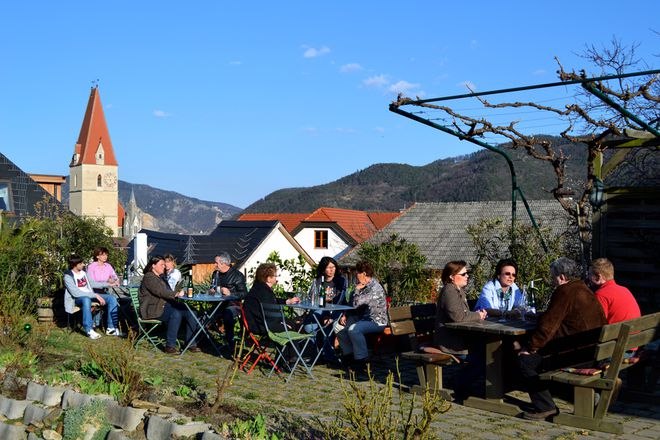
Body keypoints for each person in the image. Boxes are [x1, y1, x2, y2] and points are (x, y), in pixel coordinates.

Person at [518, 257, 606, 420]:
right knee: (535, 356)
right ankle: (571, 396)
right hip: (593, 351)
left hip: (577, 355)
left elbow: (547, 327)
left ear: (562, 277)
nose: (553, 282)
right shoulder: (584, 288)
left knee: (526, 361)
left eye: (553, 277)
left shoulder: (565, 291)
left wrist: (530, 348)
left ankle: (546, 407)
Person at [139, 255, 200, 354]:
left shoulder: (161, 277)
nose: (164, 266)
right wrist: (175, 294)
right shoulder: (149, 277)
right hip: (153, 309)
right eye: (161, 264)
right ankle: (170, 346)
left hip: (165, 305)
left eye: (164, 264)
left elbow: (168, 290)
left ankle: (191, 343)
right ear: (153, 265)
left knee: (191, 311)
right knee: (175, 313)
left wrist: (177, 292)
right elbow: (161, 292)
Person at [336, 260, 388, 373]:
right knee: (340, 330)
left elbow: (355, 303)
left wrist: (356, 290)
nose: (356, 276)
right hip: (364, 318)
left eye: (357, 273)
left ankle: (362, 361)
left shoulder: (374, 288)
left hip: (376, 321)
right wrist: (346, 314)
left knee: (354, 330)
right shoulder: (365, 286)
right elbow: (352, 304)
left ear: (363, 274)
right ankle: (349, 358)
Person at [63, 254, 124, 339]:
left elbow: (93, 284)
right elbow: (75, 293)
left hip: (90, 295)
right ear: (74, 265)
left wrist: (109, 284)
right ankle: (89, 329)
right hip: (77, 299)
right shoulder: (68, 276)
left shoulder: (84, 273)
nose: (83, 265)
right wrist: (94, 295)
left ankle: (111, 328)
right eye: (81, 263)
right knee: (86, 299)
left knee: (111, 298)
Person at [434, 261, 487, 356]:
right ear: (451, 276)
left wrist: (476, 315)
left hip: (460, 337)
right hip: (451, 342)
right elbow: (459, 317)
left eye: (467, 273)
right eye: (463, 274)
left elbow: (464, 314)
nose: (467, 276)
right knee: (483, 353)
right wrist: (479, 315)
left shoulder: (458, 290)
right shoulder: (449, 291)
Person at [303, 256, 347, 364]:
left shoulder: (340, 281)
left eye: (333, 267)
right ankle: (317, 353)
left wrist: (334, 314)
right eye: (329, 268)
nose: (332, 270)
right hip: (320, 310)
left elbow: (341, 300)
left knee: (327, 326)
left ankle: (328, 355)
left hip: (335, 310)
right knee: (309, 327)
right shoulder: (318, 281)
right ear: (323, 269)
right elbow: (312, 299)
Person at [208, 252, 248, 356]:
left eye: (216, 263)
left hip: (233, 304)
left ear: (224, 263)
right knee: (205, 315)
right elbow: (212, 288)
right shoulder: (215, 274)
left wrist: (231, 293)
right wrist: (211, 290)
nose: (215, 265)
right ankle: (201, 340)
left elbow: (244, 294)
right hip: (218, 303)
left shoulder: (237, 276)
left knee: (227, 314)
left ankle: (231, 344)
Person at [243, 263, 300, 335]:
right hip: (262, 326)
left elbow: (272, 301)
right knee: (294, 325)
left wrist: (287, 301)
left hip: (255, 324)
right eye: (275, 276)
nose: (276, 278)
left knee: (291, 323)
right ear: (269, 279)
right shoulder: (265, 292)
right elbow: (272, 315)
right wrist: (284, 324)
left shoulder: (258, 289)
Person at [589, 258, 641, 324]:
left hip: (618, 334)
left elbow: (595, 323)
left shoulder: (601, 295)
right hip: (635, 333)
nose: (588, 278)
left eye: (590, 274)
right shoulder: (625, 290)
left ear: (598, 277)